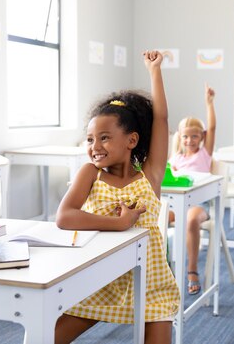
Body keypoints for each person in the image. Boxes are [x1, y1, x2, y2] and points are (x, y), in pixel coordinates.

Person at [54, 50, 179, 344]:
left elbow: (161, 118)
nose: (94, 146)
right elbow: (64, 217)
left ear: (131, 140)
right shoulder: (90, 173)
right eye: (90, 139)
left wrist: (155, 71)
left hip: (150, 281)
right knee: (45, 336)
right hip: (101, 278)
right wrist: (120, 224)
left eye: (104, 137)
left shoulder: (150, 175)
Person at [168, 83, 216, 295]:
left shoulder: (204, 154)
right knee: (152, 218)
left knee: (190, 219)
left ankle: (192, 270)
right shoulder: (176, 158)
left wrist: (209, 103)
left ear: (202, 137)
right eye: (185, 136)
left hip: (199, 204)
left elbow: (212, 128)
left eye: (194, 136)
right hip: (176, 203)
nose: (190, 140)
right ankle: (163, 271)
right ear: (180, 136)